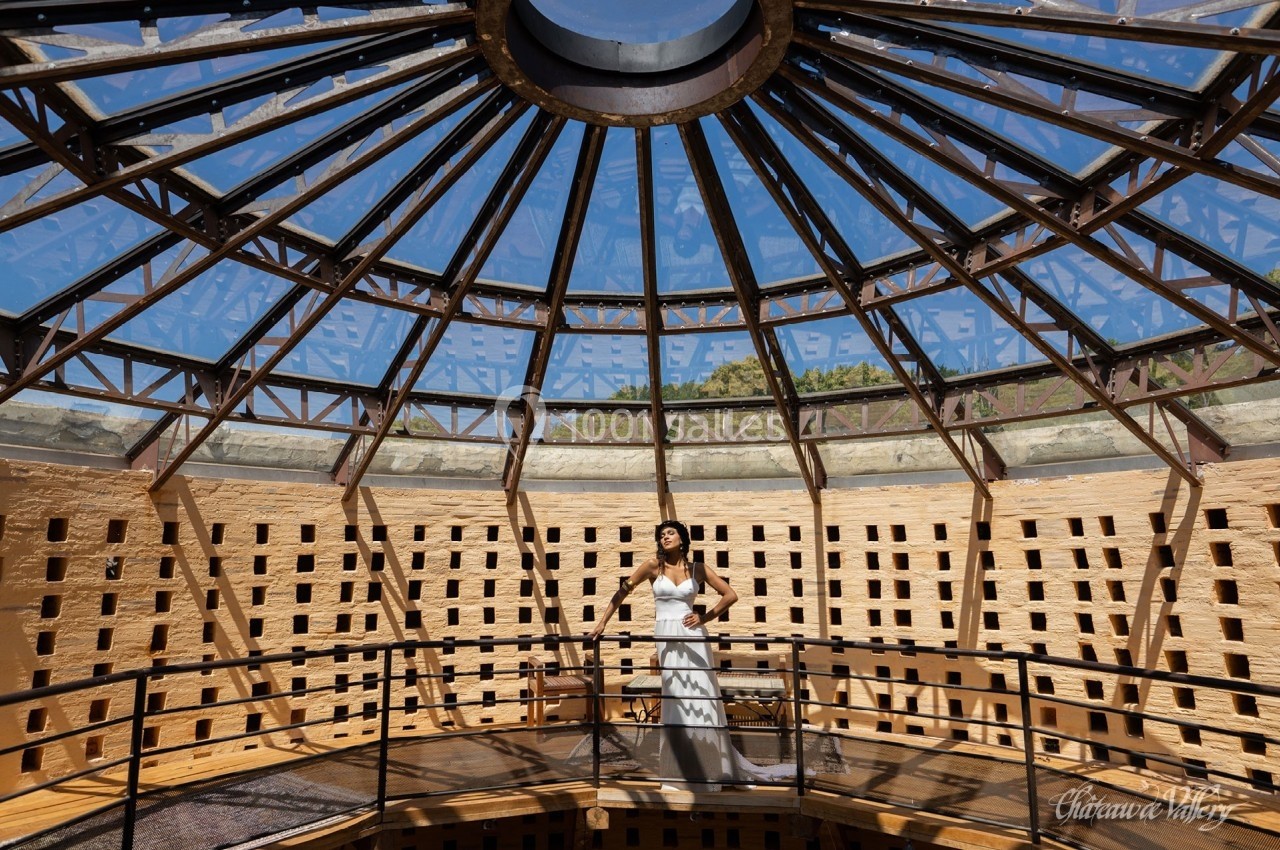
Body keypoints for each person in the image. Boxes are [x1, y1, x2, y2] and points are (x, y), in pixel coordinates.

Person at [587, 520, 792, 791]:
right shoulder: (652, 566)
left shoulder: (698, 569)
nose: (665, 538)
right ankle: (679, 772)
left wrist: (704, 617)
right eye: (661, 535)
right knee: (676, 700)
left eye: (670, 533)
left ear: (682, 539)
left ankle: (711, 771)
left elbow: (731, 595)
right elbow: (623, 591)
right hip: (666, 636)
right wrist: (602, 623)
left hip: (694, 637)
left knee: (701, 698)